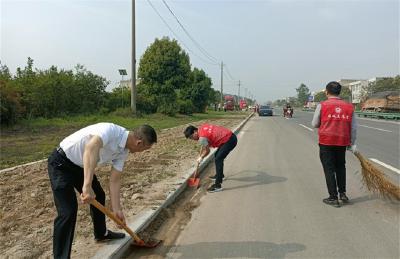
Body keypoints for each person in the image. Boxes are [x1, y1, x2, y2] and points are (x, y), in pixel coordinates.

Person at [47, 123, 157, 258]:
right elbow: (90, 147)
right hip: (61, 163)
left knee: (99, 195)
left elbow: (114, 180)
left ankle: (101, 233)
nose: (142, 152)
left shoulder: (123, 151)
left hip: (80, 165)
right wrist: (87, 186)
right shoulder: (110, 131)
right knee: (67, 211)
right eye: (145, 149)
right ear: (139, 143)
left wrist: (117, 210)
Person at [311, 81, 357, 207]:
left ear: (326, 92)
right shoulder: (349, 107)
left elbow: (314, 124)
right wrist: (352, 143)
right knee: (341, 167)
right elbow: (353, 128)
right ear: (339, 92)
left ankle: (333, 197)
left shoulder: (322, 105)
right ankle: (342, 193)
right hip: (342, 142)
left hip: (326, 142)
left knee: (329, 169)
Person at [184, 124, 237, 193]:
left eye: (191, 137)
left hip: (229, 141)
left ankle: (218, 185)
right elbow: (208, 139)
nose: (193, 139)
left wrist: (201, 157)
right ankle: (220, 175)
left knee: (218, 159)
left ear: (195, 131)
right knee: (217, 155)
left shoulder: (202, 138)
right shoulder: (202, 128)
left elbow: (207, 151)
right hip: (229, 136)